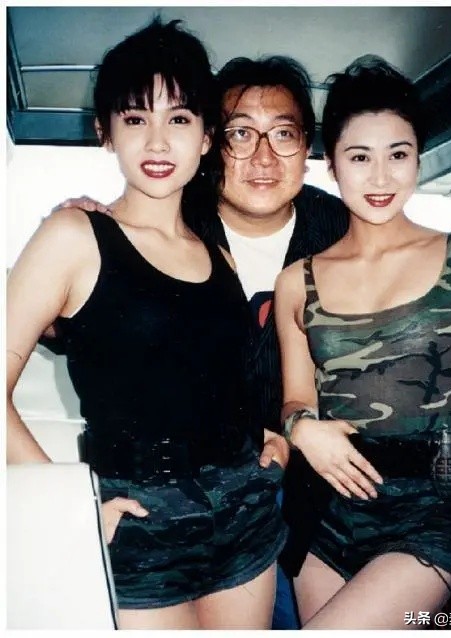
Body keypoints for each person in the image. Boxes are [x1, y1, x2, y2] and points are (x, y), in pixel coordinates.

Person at [52, 56, 451, 630]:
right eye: (242, 134)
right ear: (212, 143)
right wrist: (76, 247)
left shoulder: (346, 224)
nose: (263, 157)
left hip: (321, 485)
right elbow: (87, 327)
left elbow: (414, 263)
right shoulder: (165, 225)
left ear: (310, 149)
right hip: (195, 495)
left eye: (284, 134)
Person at [6, 19, 289, 630]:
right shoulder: (73, 236)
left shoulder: (217, 253)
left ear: (207, 137)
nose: (158, 141)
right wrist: (72, 506)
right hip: (137, 523)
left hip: (245, 513)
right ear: (105, 132)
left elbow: (209, 373)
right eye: (135, 118)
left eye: (179, 118)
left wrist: (270, 437)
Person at [273, 56, 451, 629]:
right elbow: (296, 399)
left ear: (418, 159)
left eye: (398, 155)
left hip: (428, 514)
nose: (381, 177)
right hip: (325, 511)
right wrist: (301, 428)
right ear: (331, 165)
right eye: (359, 157)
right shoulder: (297, 281)